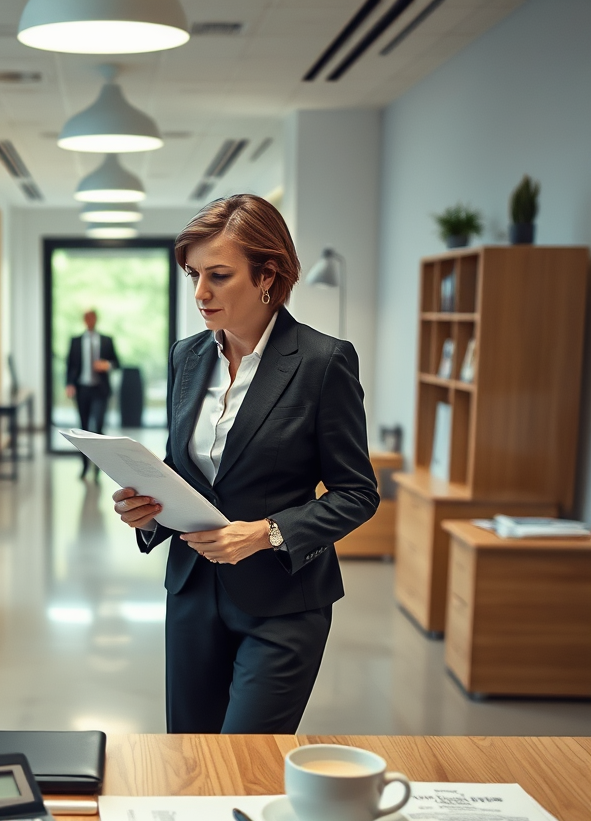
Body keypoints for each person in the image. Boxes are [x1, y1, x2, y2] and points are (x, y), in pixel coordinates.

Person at [111, 195, 379, 734]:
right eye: (193, 274)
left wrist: (267, 532)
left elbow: (357, 493)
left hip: (281, 601)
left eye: (218, 275)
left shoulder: (323, 362)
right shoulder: (187, 356)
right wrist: (149, 511)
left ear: (267, 275)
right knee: (189, 757)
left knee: (245, 763)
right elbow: (185, 467)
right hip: (191, 593)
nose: (200, 293)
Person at [65, 310, 119, 478]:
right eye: (87, 318)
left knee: (99, 427)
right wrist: (69, 384)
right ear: (84, 320)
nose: (90, 320)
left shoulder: (106, 340)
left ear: (96, 319)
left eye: (92, 317)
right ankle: (84, 465)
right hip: (82, 389)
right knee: (83, 428)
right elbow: (70, 365)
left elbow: (117, 363)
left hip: (100, 390)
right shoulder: (75, 341)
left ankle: (98, 466)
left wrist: (107, 365)